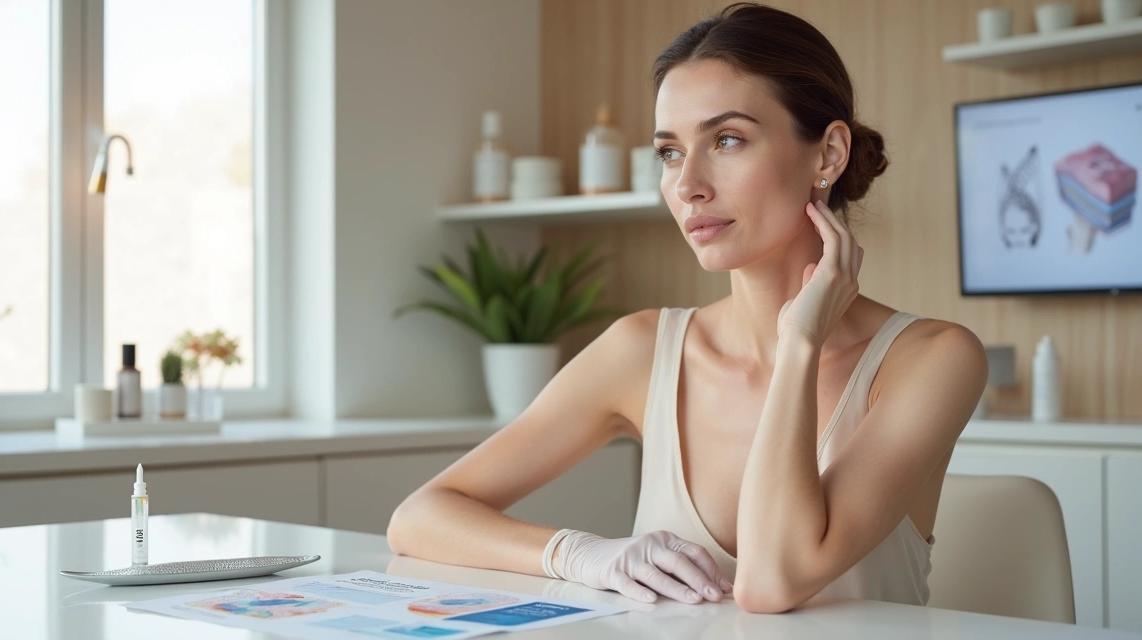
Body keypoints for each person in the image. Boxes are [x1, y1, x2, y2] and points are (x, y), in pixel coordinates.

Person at [387, 2, 988, 614]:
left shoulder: (932, 360)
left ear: (827, 155)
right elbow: (421, 517)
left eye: (727, 139)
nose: (687, 184)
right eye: (670, 152)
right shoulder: (643, 351)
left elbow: (773, 581)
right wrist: (581, 554)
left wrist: (800, 343)